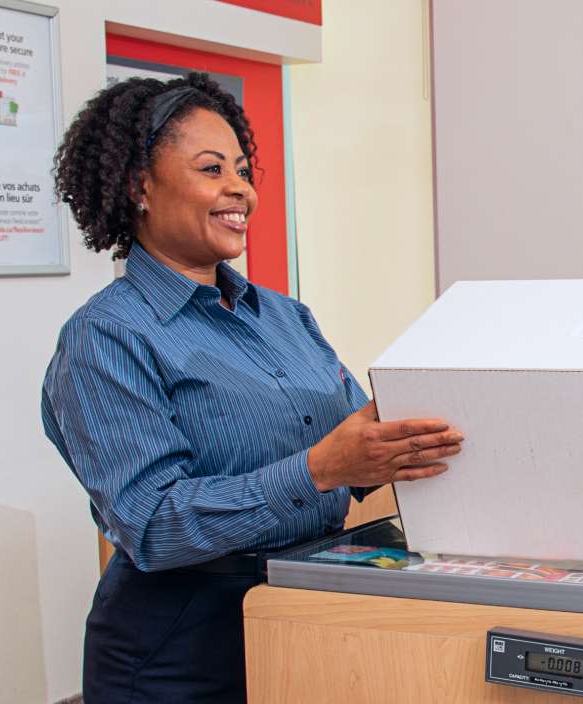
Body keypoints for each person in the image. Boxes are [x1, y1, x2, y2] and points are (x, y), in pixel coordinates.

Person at [42, 73, 464, 702]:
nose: (240, 188)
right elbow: (152, 525)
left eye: (242, 170)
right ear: (139, 187)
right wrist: (318, 470)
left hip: (303, 611)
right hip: (177, 648)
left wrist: (433, 427)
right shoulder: (105, 338)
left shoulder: (285, 316)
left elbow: (358, 448)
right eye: (212, 169)